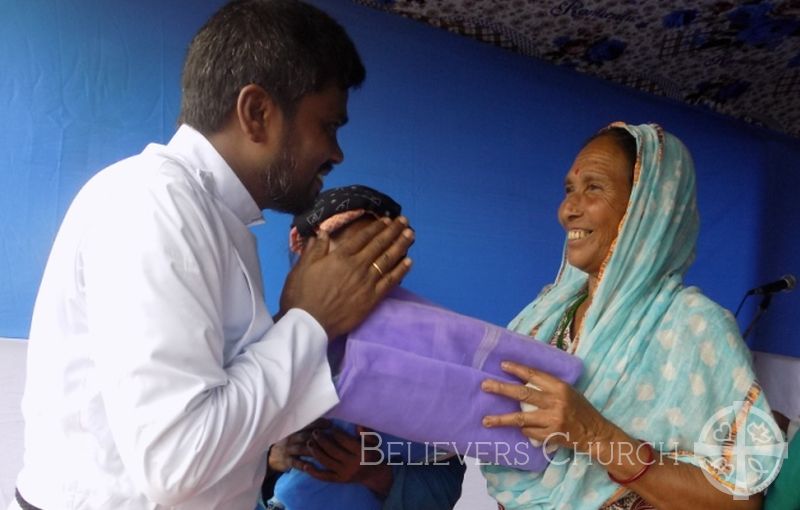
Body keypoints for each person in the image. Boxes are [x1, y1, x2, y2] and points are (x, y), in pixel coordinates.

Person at [12, 2, 414, 509]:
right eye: (329, 125)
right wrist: (308, 320)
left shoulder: (208, 214)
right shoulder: (155, 205)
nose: (337, 153)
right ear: (257, 113)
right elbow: (178, 464)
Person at [479, 123, 783, 509]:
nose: (568, 210)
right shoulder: (542, 319)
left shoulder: (695, 328)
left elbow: (740, 500)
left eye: (594, 187)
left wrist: (594, 435)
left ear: (648, 207)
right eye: (569, 189)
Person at [264, 184, 466, 509]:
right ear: (302, 260)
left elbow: (447, 487)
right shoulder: (261, 346)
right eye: (342, 256)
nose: (356, 274)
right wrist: (271, 459)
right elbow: (196, 463)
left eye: (375, 256)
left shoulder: (429, 358)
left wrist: (373, 473)